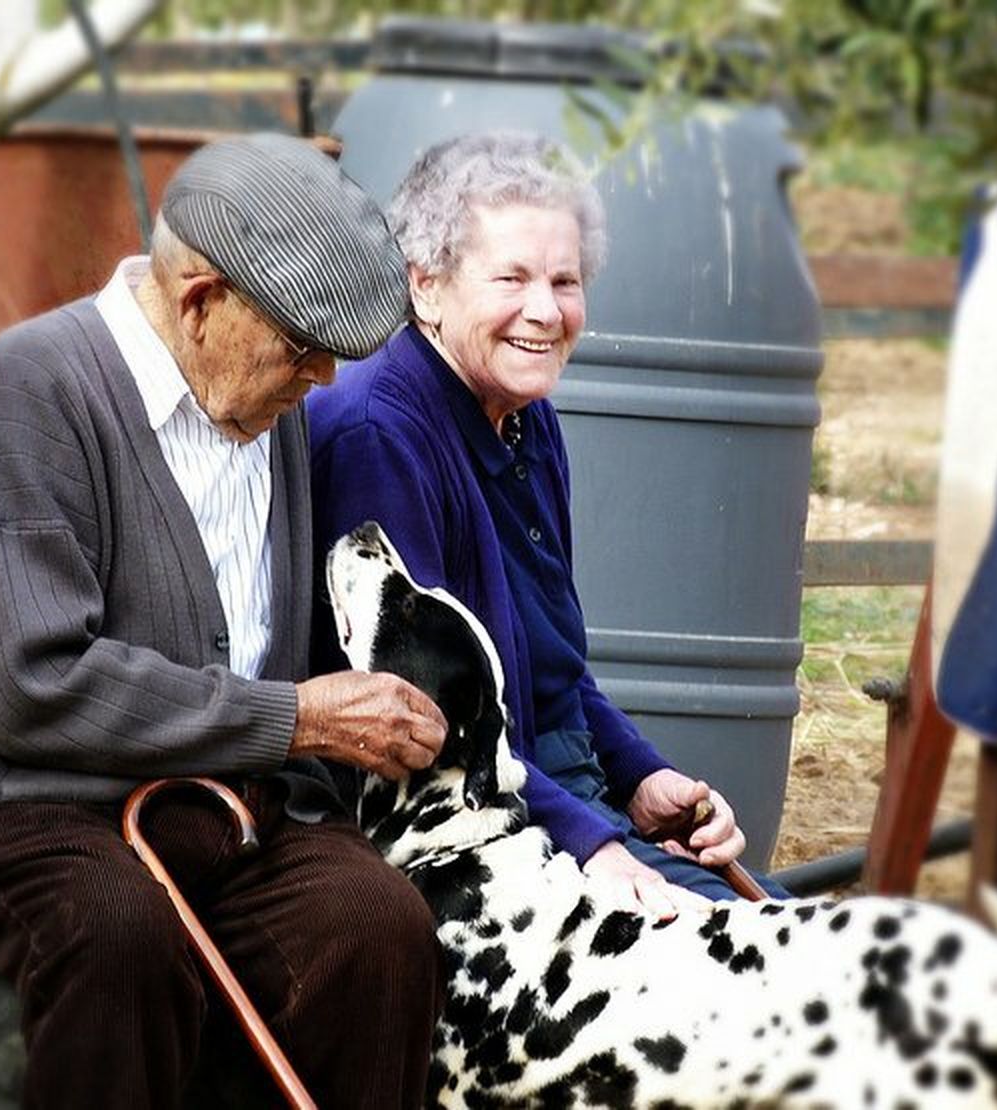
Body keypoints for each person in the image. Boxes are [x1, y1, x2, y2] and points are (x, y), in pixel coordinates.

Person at [0, 133, 448, 1110]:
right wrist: (297, 718)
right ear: (199, 301)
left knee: (375, 925)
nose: (317, 383)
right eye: (301, 353)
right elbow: (27, 685)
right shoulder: (36, 386)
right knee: (120, 933)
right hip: (17, 802)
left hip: (214, 806)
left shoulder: (260, 408)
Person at [309, 131, 788, 922]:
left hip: (555, 791)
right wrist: (593, 840)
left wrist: (640, 778)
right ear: (424, 286)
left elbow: (550, 671)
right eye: (512, 278)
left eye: (566, 280)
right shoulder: (379, 434)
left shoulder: (526, 417)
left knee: (805, 939)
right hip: (471, 834)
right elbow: (426, 725)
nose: (546, 309)